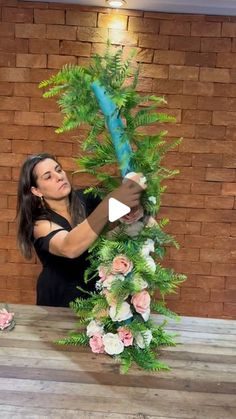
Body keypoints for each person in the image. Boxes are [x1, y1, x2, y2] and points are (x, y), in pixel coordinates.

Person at [16, 153, 142, 307]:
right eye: (48, 177)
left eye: (59, 170)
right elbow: (70, 247)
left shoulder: (86, 198)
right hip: (59, 299)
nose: (59, 177)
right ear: (36, 191)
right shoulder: (38, 223)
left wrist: (134, 208)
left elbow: (118, 214)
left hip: (96, 293)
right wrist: (109, 203)